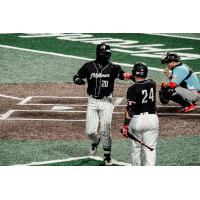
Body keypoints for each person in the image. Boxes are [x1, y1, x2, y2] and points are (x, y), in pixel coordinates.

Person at [73, 43, 132, 165]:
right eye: (104, 53)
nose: (106, 55)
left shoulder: (114, 67)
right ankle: (95, 141)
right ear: (100, 53)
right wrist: (78, 80)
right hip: (92, 101)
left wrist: (126, 75)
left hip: (107, 102)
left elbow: (122, 74)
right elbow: (77, 76)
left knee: (105, 131)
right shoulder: (89, 66)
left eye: (107, 53)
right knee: (90, 132)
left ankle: (107, 156)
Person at [121, 63, 159, 166]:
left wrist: (125, 126)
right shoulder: (152, 83)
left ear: (134, 73)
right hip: (152, 119)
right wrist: (132, 77)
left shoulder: (132, 89)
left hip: (137, 120)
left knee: (136, 149)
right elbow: (142, 84)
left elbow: (130, 109)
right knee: (150, 148)